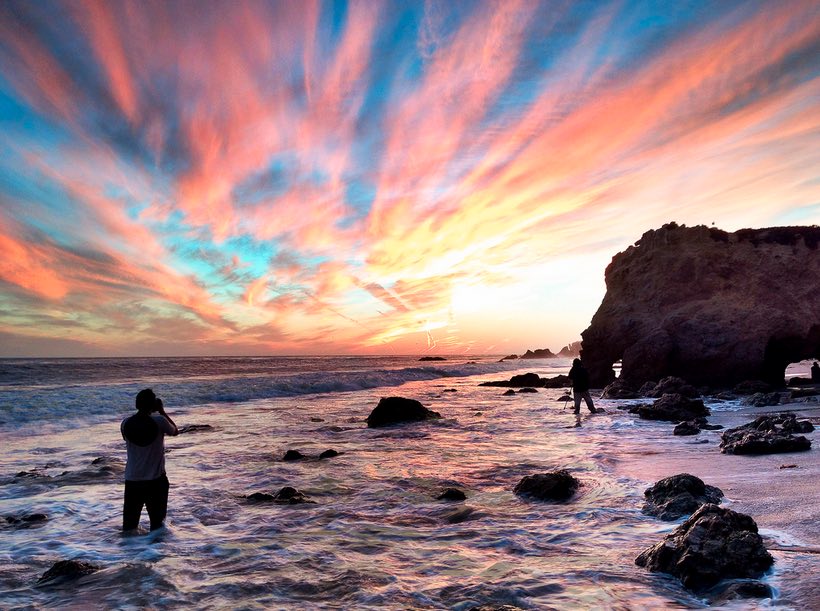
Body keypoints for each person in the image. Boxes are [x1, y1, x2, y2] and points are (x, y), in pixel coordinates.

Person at [121, 388, 178, 531]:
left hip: (132, 480)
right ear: (152, 405)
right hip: (155, 481)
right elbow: (175, 431)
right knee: (157, 526)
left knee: (129, 527)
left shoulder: (125, 423)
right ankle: (154, 552)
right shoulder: (160, 421)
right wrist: (162, 411)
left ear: (136, 405)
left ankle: (129, 552)